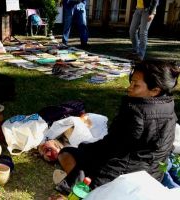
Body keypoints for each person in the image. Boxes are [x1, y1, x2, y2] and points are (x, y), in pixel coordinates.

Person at [55, 60, 180, 192]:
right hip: (153, 175)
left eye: (135, 85)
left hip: (120, 177)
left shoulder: (135, 112)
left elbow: (109, 148)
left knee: (67, 153)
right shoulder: (168, 106)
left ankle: (83, 190)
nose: (129, 88)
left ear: (154, 91)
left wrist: (84, 147)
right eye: (131, 82)